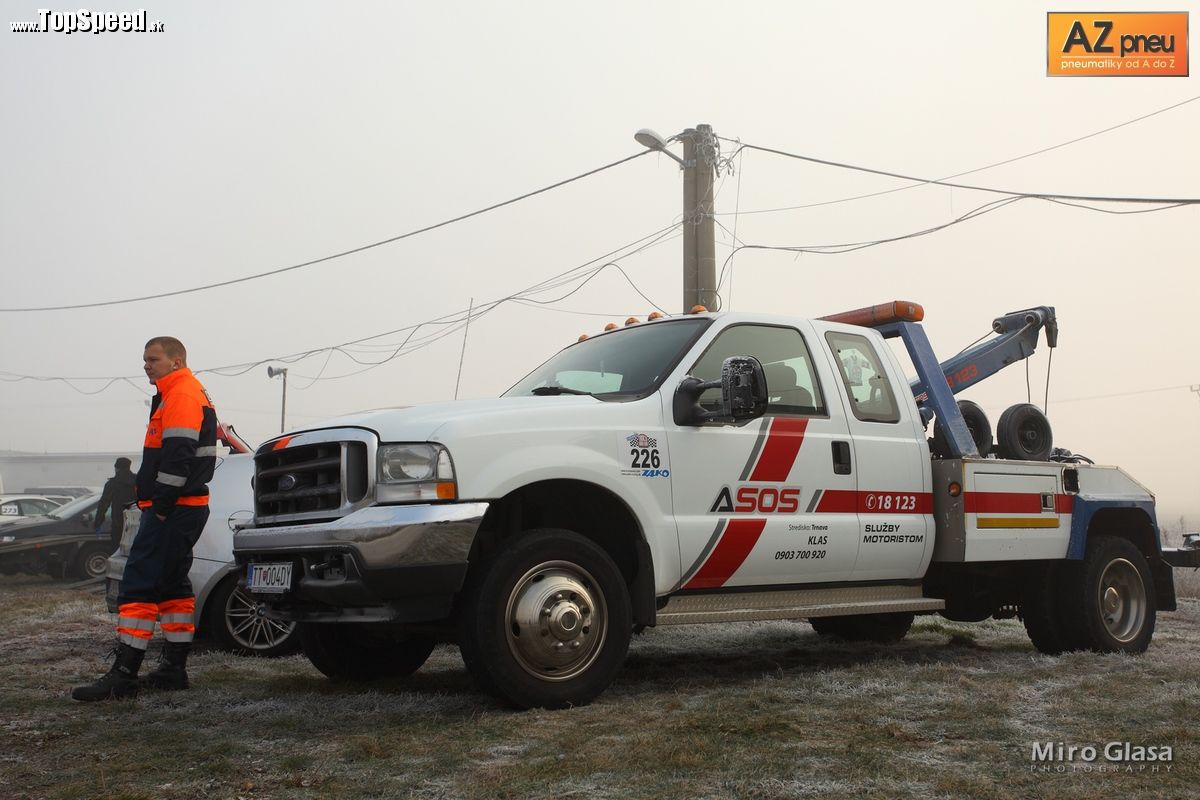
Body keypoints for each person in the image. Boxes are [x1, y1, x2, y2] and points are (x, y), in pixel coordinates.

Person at [72, 336, 218, 701]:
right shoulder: (178, 392)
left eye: (153, 359)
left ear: (176, 362)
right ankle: (173, 669)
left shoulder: (181, 394)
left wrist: (162, 507)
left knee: (138, 583)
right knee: (172, 587)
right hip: (183, 507)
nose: (146, 365)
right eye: (144, 360)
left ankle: (123, 675)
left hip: (174, 508)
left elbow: (178, 458)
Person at [94, 457, 136, 549]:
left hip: (118, 524)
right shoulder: (138, 481)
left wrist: (98, 522)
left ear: (117, 468)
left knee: (117, 551)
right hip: (137, 523)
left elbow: (104, 504)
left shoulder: (112, 484)